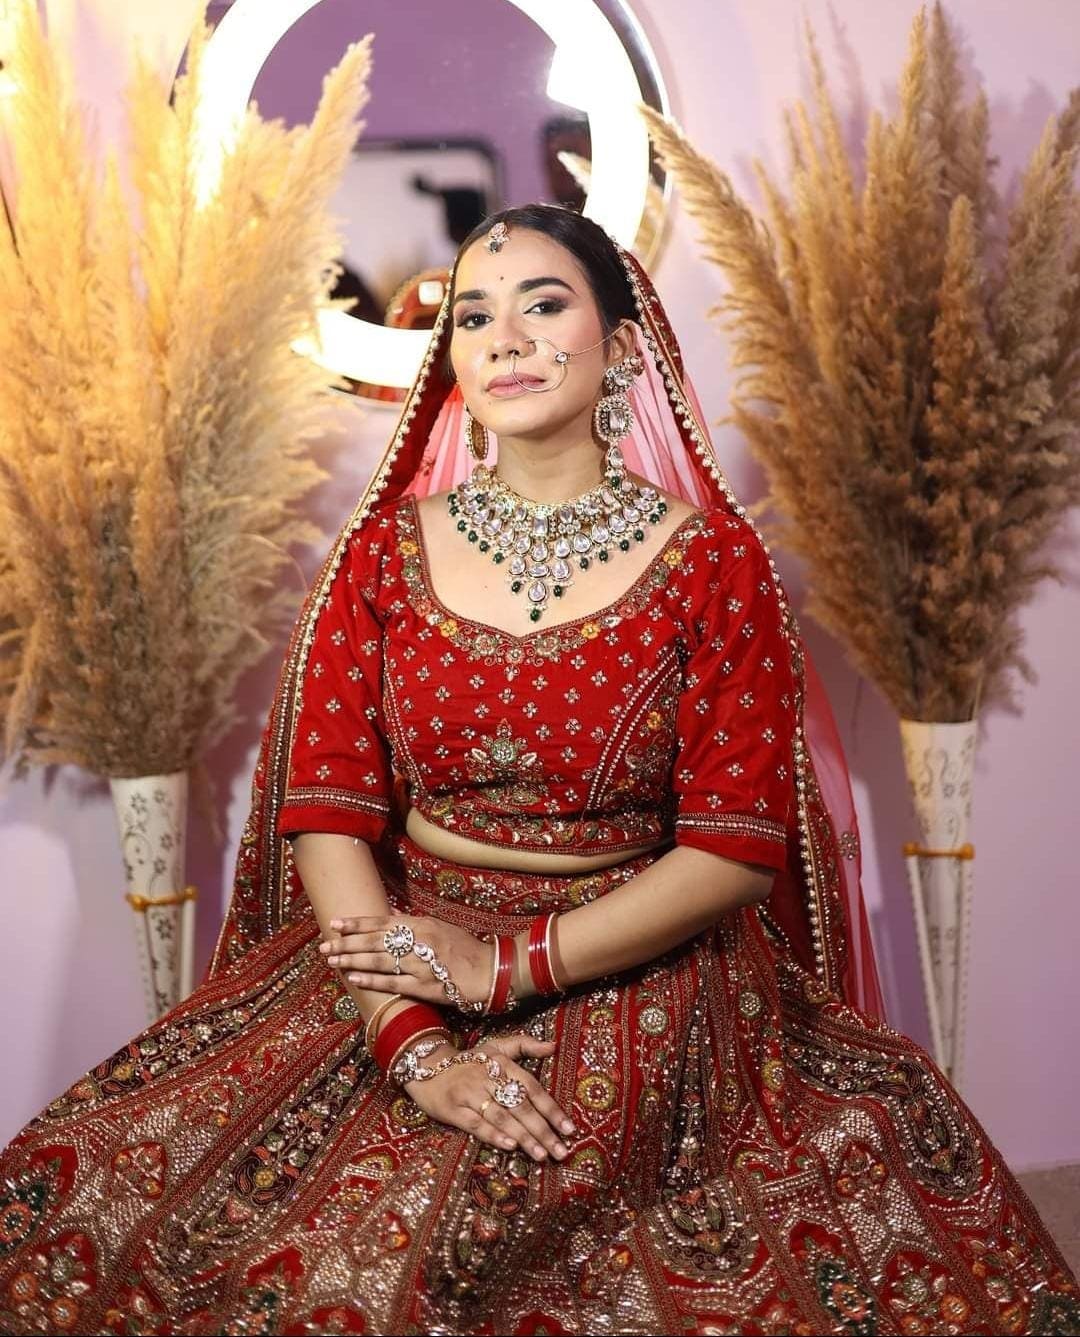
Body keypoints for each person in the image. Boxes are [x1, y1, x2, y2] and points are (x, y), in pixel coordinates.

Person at [1, 205, 1076, 1337]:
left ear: (622, 345)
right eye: (473, 316)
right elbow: (328, 812)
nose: (504, 338)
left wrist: (505, 966)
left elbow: (734, 850)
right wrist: (414, 1042)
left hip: (645, 965)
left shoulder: (714, 564)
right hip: (396, 948)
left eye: (544, 305)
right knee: (106, 1184)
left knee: (525, 1233)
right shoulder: (382, 556)